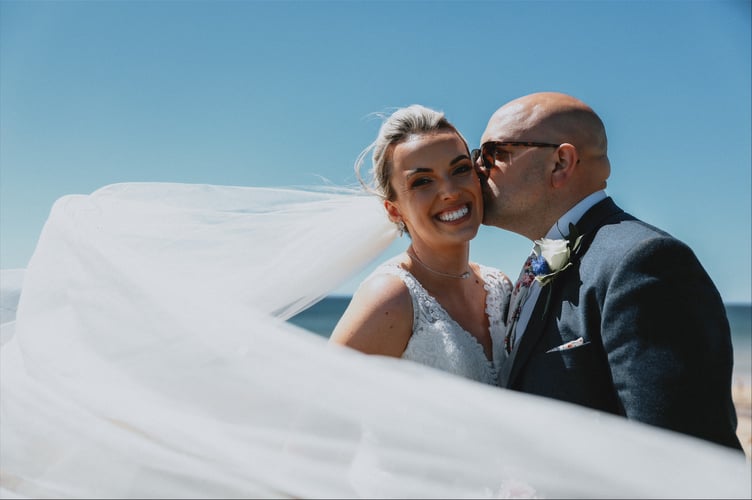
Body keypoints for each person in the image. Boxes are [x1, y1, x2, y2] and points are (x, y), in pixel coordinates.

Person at [474, 91, 743, 451]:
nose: (477, 169)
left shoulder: (645, 264)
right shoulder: (535, 267)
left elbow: (681, 455)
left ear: (561, 163)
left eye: (494, 154)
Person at [329, 105, 513, 385]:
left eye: (461, 169)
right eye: (422, 181)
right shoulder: (391, 298)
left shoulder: (500, 286)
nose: (450, 192)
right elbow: (318, 406)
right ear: (393, 210)